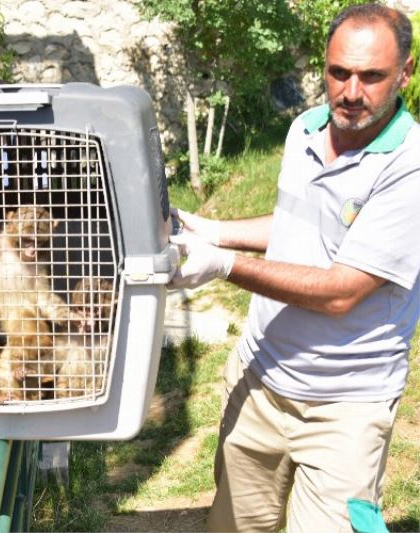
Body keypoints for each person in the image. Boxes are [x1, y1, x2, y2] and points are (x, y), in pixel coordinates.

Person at [169, 4, 420, 531]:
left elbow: (341, 291)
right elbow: (295, 226)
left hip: (344, 408)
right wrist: (212, 230)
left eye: (372, 76)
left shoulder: (409, 166)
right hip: (260, 380)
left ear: (405, 72)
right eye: (338, 72)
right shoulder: (305, 129)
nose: (351, 92)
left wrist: (223, 265)